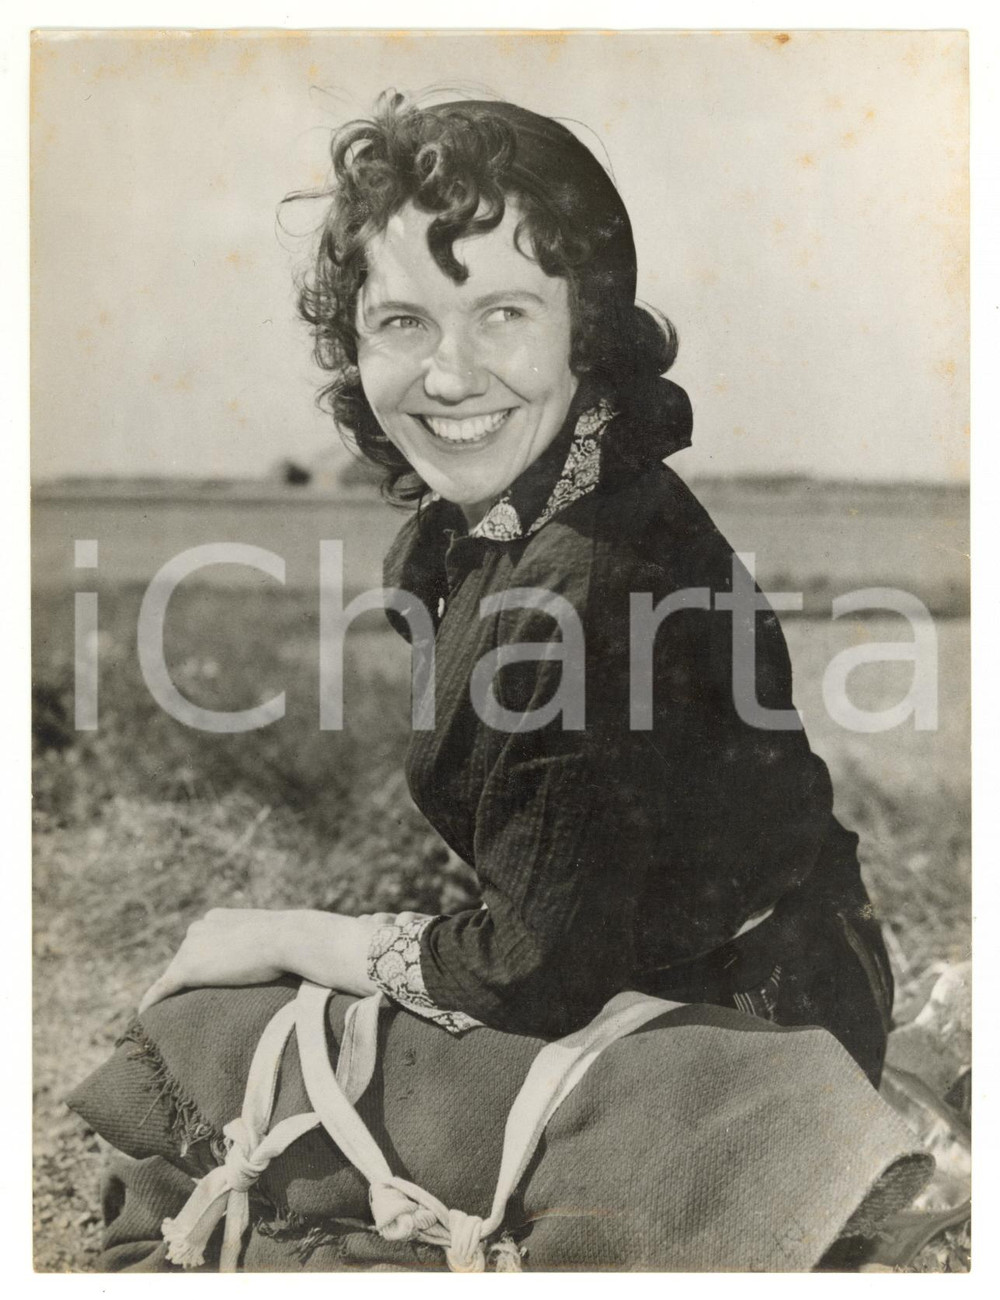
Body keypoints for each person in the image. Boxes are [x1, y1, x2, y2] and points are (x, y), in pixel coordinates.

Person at [140, 93, 893, 1086]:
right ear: (353, 342)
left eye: (502, 313)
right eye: (402, 320)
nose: (448, 376)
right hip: (707, 991)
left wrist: (289, 932)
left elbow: (533, 974)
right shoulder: (533, 513)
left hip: (747, 1045)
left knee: (212, 1046)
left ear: (586, 331)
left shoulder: (584, 591)